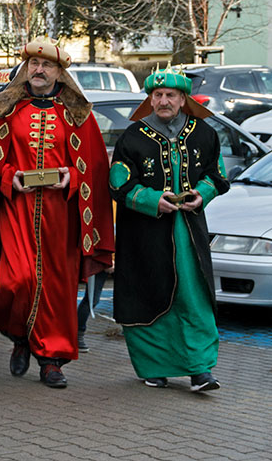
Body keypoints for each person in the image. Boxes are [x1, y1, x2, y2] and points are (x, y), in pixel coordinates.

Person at [0, 39, 114, 388]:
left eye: (46, 65)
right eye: (33, 63)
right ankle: (20, 336)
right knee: (17, 280)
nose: (38, 69)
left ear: (59, 71)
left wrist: (72, 177)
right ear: (25, 68)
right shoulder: (4, 109)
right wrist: (9, 178)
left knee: (57, 288)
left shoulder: (78, 114)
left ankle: (52, 359)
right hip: (15, 210)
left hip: (60, 214)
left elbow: (94, 167)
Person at [110, 67, 229, 392]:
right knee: (147, 294)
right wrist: (151, 200)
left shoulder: (204, 133)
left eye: (170, 95)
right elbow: (118, 184)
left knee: (193, 298)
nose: (163, 101)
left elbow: (217, 176)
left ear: (182, 99)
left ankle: (200, 370)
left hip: (188, 232)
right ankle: (153, 368)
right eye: (158, 95)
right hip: (144, 237)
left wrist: (200, 195)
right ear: (150, 99)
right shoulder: (132, 137)